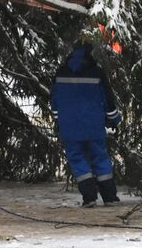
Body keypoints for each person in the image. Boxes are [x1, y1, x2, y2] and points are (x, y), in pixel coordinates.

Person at [51, 35, 124, 207]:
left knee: (77, 159)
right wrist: (114, 119)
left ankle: (89, 197)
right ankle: (109, 197)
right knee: (100, 157)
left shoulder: (61, 72)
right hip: (94, 123)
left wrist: (58, 121)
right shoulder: (96, 72)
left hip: (69, 125)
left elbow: (54, 101)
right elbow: (108, 99)